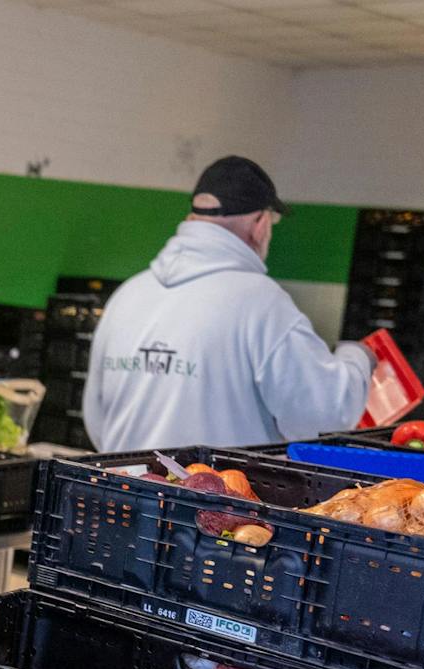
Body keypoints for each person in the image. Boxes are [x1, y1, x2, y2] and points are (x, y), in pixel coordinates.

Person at [82, 156, 375, 451]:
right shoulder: (262, 304)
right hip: (212, 495)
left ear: (192, 219)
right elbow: (324, 416)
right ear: (260, 224)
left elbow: (97, 421)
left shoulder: (129, 294)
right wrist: (357, 359)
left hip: (121, 491)